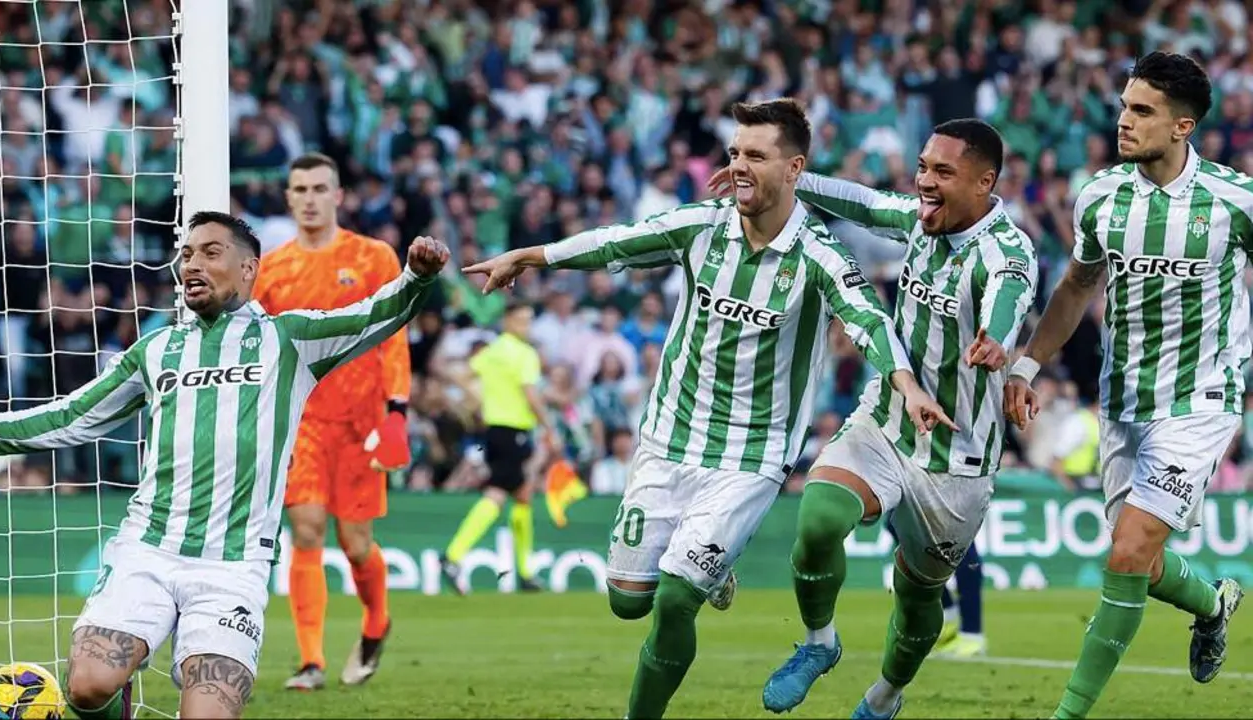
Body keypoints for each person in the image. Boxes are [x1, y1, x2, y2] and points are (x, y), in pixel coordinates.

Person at [464, 97, 953, 720]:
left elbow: (868, 319)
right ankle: (714, 572)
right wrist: (531, 256)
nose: (739, 166)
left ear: (795, 168)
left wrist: (906, 383)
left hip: (749, 458)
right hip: (668, 439)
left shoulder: (820, 254)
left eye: (756, 155)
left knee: (673, 600)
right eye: (734, 153)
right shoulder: (703, 224)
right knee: (627, 600)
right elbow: (618, 242)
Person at [0, 213, 448, 720]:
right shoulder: (155, 350)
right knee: (89, 686)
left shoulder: (290, 340)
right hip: (148, 549)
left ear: (249, 269)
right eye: (187, 254)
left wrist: (415, 278)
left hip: (233, 567)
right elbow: (72, 417)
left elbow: (375, 314)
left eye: (210, 253)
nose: (192, 265)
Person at [711, 118, 1038, 718]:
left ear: (984, 182)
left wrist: (998, 338)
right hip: (886, 422)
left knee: (919, 598)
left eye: (943, 172)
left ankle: (884, 697)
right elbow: (856, 201)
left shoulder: (1007, 251)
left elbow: (1009, 294)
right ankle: (818, 644)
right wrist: (768, 177)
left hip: (958, 459)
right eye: (922, 167)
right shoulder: (918, 218)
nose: (924, 182)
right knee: (818, 518)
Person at [1003, 51, 1247, 719]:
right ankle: (1213, 602)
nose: (1124, 120)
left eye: (1142, 110)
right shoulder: (1101, 197)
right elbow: (1079, 285)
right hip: (1124, 402)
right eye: (1124, 106)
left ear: (1183, 127)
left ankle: (1067, 714)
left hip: (1202, 399)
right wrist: (1028, 363)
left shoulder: (1233, 201)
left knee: (1132, 546)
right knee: (1133, 558)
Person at [251, 152, 414, 690]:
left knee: (357, 544)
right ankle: (311, 661)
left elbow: (393, 332)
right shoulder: (271, 270)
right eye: (300, 189)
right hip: (304, 422)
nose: (311, 198)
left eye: (320, 188)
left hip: (362, 421)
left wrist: (397, 410)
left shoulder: (373, 257)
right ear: (289, 198)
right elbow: (259, 347)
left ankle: (375, 623)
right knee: (306, 530)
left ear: (339, 195)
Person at [439, 300, 558, 594]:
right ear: (508, 322)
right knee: (498, 494)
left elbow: (461, 375)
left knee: (523, 495)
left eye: (529, 321)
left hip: (494, 431)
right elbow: (531, 395)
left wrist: (477, 400)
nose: (526, 326)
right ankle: (453, 555)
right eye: (521, 321)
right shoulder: (524, 354)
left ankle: (526, 573)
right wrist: (550, 428)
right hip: (514, 430)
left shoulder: (492, 352)